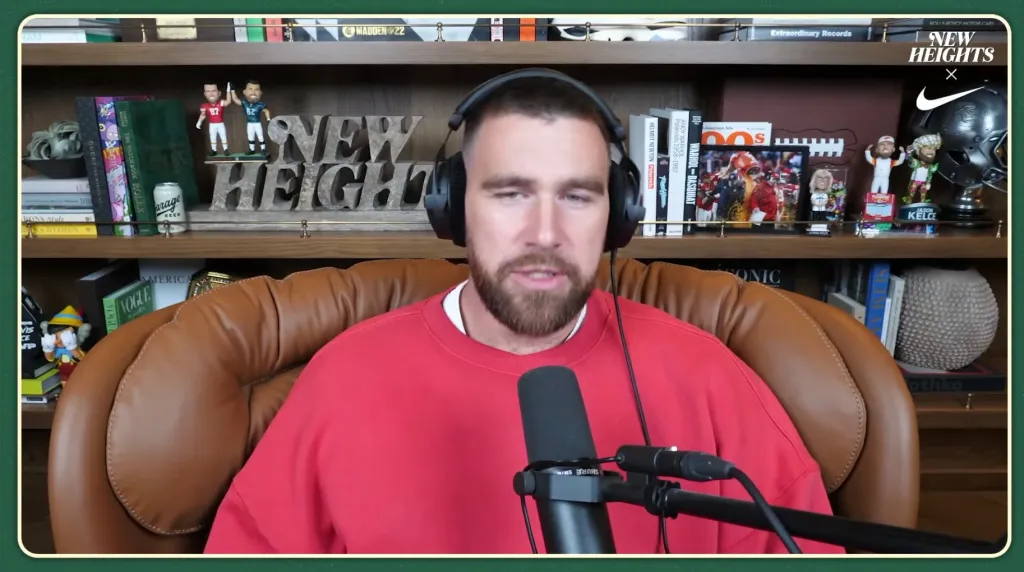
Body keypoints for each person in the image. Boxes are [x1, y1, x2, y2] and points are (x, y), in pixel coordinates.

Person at [203, 71, 844, 555]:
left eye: (577, 196)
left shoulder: (709, 378)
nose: (545, 233)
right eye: (510, 193)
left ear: (618, 217)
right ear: (453, 208)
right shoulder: (344, 378)